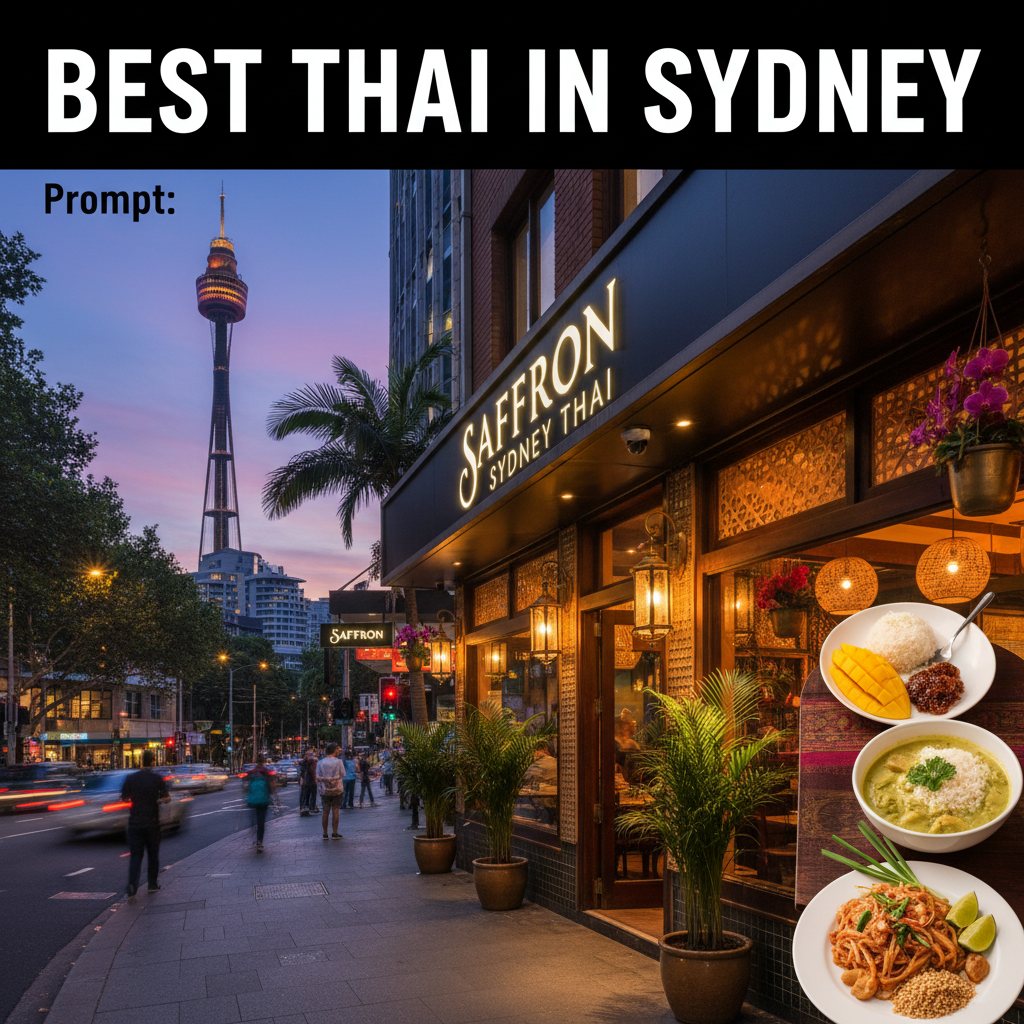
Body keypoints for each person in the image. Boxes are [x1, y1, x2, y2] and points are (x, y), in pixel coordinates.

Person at [120, 749, 171, 897]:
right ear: (153, 761)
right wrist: (158, 800)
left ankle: (132, 885)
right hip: (152, 823)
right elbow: (167, 798)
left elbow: (123, 798)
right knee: (153, 855)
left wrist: (134, 800)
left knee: (136, 855)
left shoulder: (131, 778)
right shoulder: (157, 779)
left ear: (141, 761)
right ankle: (152, 884)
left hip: (135, 822)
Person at [244, 755, 279, 852]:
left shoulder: (252, 773)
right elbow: (271, 787)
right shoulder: (266, 772)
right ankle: (260, 841)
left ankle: (255, 835)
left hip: (253, 800)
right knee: (261, 821)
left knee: (254, 818)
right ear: (263, 762)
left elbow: (246, 786)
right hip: (264, 800)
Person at [316, 743, 345, 839]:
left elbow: (318, 776)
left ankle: (325, 833)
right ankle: (334, 832)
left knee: (325, 811)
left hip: (325, 790)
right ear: (334, 750)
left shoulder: (320, 762)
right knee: (336, 810)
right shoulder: (339, 762)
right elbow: (343, 774)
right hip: (337, 789)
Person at [299, 749, 318, 816]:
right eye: (310, 755)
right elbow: (303, 772)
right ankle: (309, 807)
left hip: (307, 781)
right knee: (309, 795)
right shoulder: (312, 762)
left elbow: (302, 773)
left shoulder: (304, 762)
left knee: (306, 795)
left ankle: (306, 808)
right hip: (309, 781)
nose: (311, 756)